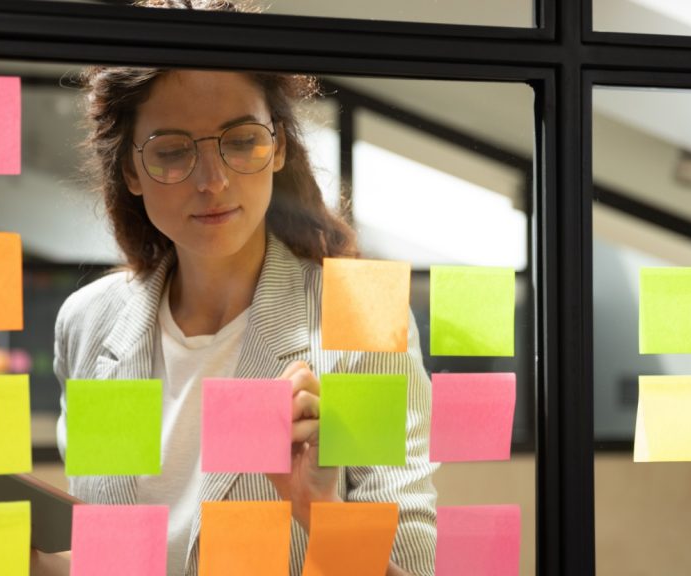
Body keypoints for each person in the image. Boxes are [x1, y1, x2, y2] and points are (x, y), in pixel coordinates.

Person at [48, 3, 438, 575]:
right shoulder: (90, 322)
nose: (213, 181)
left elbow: (413, 568)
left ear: (278, 146)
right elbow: (114, 560)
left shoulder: (359, 315)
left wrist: (321, 511)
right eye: (173, 151)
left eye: (241, 140)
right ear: (130, 171)